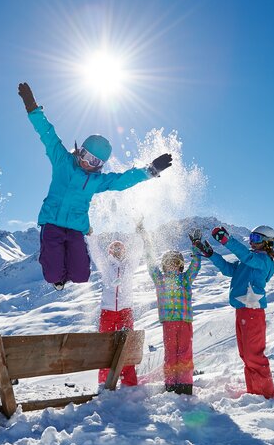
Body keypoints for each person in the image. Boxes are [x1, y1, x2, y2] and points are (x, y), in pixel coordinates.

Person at [18, 82, 173, 291]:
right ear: (80, 151)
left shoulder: (96, 181)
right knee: (53, 274)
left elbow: (122, 180)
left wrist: (151, 170)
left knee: (82, 275)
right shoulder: (62, 161)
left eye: (95, 162)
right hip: (52, 223)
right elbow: (47, 134)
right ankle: (57, 275)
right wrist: (32, 106)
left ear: (100, 165)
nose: (88, 164)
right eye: (87, 157)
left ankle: (68, 267)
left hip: (76, 227)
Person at [194, 225, 274, 399]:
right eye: (251, 238)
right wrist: (211, 254)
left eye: (256, 239)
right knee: (246, 354)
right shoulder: (249, 260)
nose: (252, 242)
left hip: (253, 311)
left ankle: (266, 394)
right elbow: (228, 269)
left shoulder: (264, 261)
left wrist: (227, 240)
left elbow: (246, 256)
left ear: (268, 243)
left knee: (253, 354)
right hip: (242, 311)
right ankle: (255, 392)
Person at [137, 222, 202, 395]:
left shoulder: (185, 279)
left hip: (184, 321)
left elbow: (195, 266)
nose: (171, 265)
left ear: (180, 265)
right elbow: (151, 264)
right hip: (169, 323)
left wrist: (196, 247)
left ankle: (185, 384)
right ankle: (171, 385)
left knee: (185, 353)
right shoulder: (160, 279)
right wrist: (146, 240)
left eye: (175, 262)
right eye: (168, 263)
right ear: (164, 265)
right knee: (171, 354)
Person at [89, 238, 142, 387]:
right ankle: (104, 384)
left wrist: (139, 232)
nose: (118, 250)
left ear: (124, 250)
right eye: (115, 248)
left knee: (126, 347)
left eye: (120, 248)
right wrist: (90, 237)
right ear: (110, 251)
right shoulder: (105, 265)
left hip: (125, 311)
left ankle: (129, 384)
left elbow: (138, 253)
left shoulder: (129, 265)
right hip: (108, 311)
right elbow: (95, 254)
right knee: (106, 348)